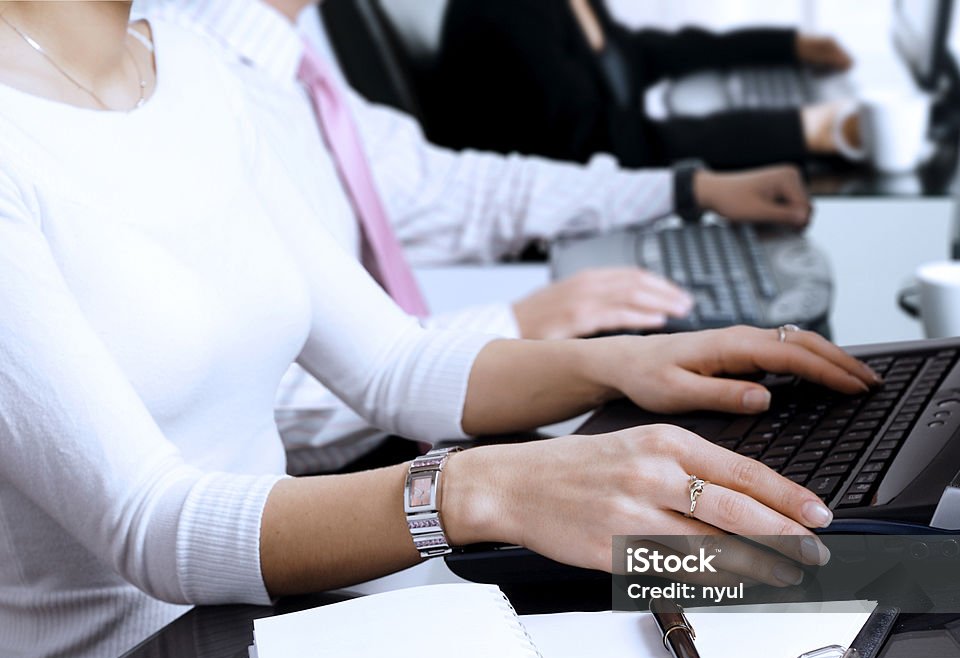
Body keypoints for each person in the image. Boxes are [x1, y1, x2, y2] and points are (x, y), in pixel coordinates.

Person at [0, 0, 877, 658]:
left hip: (267, 648)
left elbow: (391, 360)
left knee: (808, 593)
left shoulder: (189, 62)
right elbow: (155, 522)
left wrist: (629, 361)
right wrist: (482, 487)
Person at [142, 0, 817, 476]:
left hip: (405, 421)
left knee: (732, 496)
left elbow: (456, 190)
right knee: (705, 543)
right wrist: (521, 322)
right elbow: (263, 397)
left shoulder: (285, 64)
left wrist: (683, 190)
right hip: (334, 482)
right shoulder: (181, 79)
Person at [425, 0, 854, 170]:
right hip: (543, 244)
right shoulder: (506, 14)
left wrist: (786, 45)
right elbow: (607, 142)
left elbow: (633, 54)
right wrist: (803, 129)